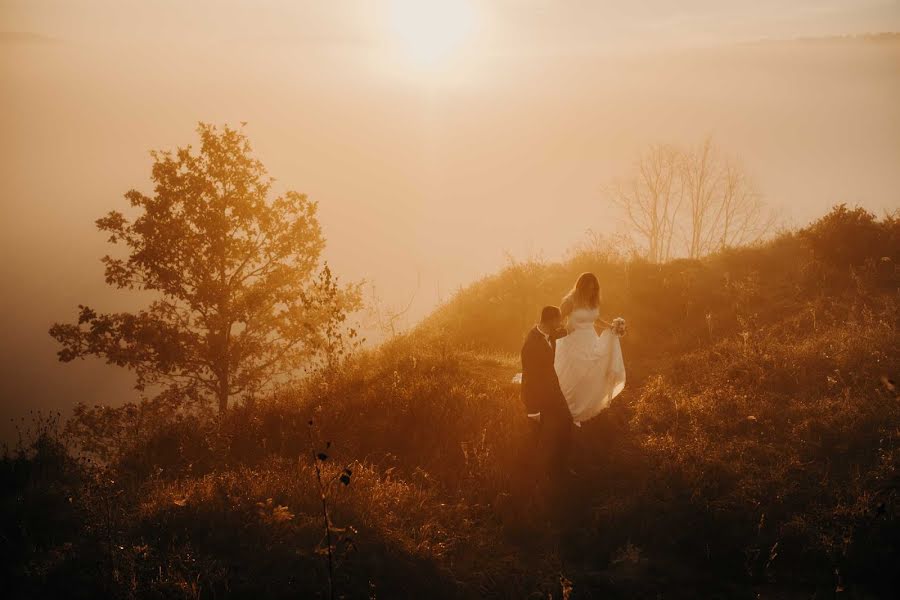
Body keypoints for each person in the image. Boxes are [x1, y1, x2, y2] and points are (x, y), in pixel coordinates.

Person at [554, 272, 626, 424]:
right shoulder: (569, 301)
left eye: (594, 289)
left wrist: (611, 327)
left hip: (590, 340)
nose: (591, 291)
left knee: (591, 373)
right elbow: (557, 320)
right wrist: (564, 330)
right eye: (588, 288)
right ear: (580, 286)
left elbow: (594, 319)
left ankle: (586, 404)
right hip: (572, 341)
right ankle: (568, 406)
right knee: (573, 375)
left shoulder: (592, 301)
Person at [520, 305, 573, 478]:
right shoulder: (531, 345)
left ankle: (562, 467)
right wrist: (533, 409)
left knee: (566, 422)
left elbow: (560, 334)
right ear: (550, 321)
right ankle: (538, 475)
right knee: (541, 438)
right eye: (558, 321)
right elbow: (529, 378)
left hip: (553, 392)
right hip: (539, 397)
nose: (560, 324)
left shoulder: (551, 334)